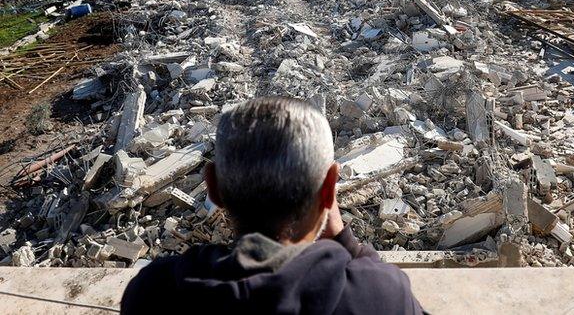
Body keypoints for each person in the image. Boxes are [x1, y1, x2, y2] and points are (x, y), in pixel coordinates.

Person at [121, 97, 424, 314]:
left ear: (213, 187)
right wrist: (348, 245)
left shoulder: (152, 293)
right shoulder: (381, 295)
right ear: (329, 189)